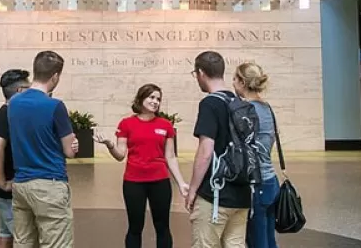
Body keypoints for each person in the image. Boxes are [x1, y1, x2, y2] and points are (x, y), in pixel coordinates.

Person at [0, 51, 78, 248]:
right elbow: (69, 151)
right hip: (50, 184)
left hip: (21, 184)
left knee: (23, 242)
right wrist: (72, 145)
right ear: (55, 76)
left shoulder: (13, 104)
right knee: (56, 243)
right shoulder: (55, 106)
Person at [94, 84, 190, 248]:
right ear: (141, 99)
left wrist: (181, 183)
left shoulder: (165, 125)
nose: (155, 102)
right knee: (135, 227)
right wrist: (109, 144)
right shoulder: (126, 124)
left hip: (160, 181)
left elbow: (171, 157)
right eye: (151, 97)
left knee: (162, 227)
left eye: (158, 99)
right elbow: (120, 155)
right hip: (134, 182)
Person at [185, 51, 251, 248]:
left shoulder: (210, 103)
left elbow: (206, 152)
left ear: (201, 73)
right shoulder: (240, 103)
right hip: (242, 194)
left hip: (215, 194)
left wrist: (193, 191)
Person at [233, 63, 279, 248]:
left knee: (256, 241)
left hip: (255, 184)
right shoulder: (267, 108)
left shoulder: (245, 110)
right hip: (271, 180)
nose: (233, 83)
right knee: (268, 239)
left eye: (235, 79)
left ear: (243, 82)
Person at [0, 69, 32, 248]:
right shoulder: (7, 114)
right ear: (20, 91)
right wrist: (3, 183)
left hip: (5, 190)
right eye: (29, 89)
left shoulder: (3, 113)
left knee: (5, 233)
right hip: (8, 191)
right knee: (24, 239)